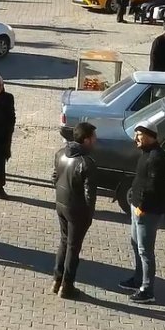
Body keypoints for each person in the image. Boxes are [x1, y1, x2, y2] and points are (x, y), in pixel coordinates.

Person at [122, 124, 165, 304]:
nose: (136, 139)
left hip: (147, 212)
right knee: (136, 244)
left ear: (150, 136)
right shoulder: (146, 153)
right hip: (137, 209)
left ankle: (147, 290)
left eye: (139, 135)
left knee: (145, 250)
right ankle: (137, 279)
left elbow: (154, 187)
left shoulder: (157, 157)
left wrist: (142, 207)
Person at [52, 122, 98, 299]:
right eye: (94, 138)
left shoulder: (61, 153)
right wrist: (89, 215)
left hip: (61, 205)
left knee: (64, 242)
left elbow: (55, 178)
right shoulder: (86, 163)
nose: (96, 141)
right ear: (86, 140)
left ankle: (57, 280)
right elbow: (89, 195)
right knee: (73, 247)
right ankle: (67, 285)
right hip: (77, 210)